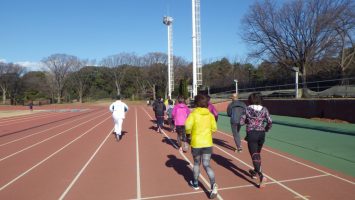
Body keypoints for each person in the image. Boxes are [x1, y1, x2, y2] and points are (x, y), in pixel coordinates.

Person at [185, 94, 218, 199]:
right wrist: (207, 132)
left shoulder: (193, 114)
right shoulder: (210, 115)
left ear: (196, 103)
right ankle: (213, 185)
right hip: (207, 143)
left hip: (196, 143)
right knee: (207, 165)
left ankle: (195, 183)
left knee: (196, 163)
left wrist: (189, 134)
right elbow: (214, 129)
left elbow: (187, 126)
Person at [240, 93, 272, 188]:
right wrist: (266, 129)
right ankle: (254, 171)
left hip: (252, 133)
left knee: (254, 155)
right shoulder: (264, 109)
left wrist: (247, 121)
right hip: (261, 134)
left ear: (250, 100)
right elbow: (270, 121)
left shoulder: (247, 109)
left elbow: (241, 122)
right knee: (257, 154)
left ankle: (262, 176)